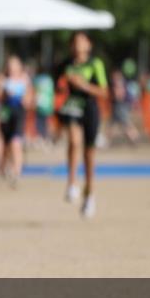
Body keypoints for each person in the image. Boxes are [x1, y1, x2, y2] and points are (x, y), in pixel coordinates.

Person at [56, 31, 108, 219]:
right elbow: (57, 87)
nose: (78, 45)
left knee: (89, 153)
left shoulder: (95, 64)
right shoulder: (66, 65)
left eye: (82, 41)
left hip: (90, 109)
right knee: (74, 141)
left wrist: (83, 85)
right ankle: (71, 183)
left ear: (89, 45)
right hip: (72, 107)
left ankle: (90, 194)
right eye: (75, 42)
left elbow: (104, 91)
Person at [0, 55, 32, 186]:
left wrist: (24, 98)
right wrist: (4, 94)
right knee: (6, 144)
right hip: (5, 113)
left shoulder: (24, 79)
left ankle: (17, 171)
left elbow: (29, 99)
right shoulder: (2, 79)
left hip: (19, 113)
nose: (12, 68)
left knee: (16, 142)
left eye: (14, 65)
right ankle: (4, 166)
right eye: (10, 65)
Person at [109, 69, 138, 145]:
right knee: (114, 124)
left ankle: (134, 137)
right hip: (120, 105)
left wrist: (113, 97)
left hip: (120, 105)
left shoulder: (118, 82)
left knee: (126, 124)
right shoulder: (121, 82)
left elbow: (119, 95)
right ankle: (107, 140)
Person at [33, 67, 55, 148]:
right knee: (47, 123)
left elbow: (33, 90)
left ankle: (43, 138)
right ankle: (47, 139)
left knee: (40, 123)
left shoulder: (37, 79)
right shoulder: (50, 80)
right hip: (48, 105)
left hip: (40, 104)